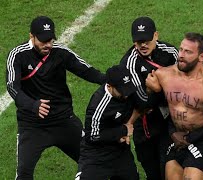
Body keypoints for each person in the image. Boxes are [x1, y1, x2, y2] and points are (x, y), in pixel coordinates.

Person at [6, 16, 106, 179]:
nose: (48, 45)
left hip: (63, 120)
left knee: (94, 161)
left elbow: (86, 71)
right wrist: (33, 105)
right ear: (32, 36)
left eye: (51, 40)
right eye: (43, 41)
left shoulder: (61, 52)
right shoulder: (18, 55)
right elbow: (13, 87)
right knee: (23, 174)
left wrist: (110, 81)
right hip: (32, 126)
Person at [146, 32, 203, 180]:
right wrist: (152, 89)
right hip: (176, 136)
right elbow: (150, 101)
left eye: (188, 52)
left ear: (201, 57)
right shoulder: (164, 75)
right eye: (181, 49)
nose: (181, 55)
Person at [119, 16, 178, 180]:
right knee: (153, 173)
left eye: (147, 40)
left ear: (156, 36)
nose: (143, 45)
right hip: (145, 127)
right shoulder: (129, 63)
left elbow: (184, 82)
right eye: (138, 42)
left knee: (168, 168)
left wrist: (157, 89)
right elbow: (141, 101)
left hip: (169, 122)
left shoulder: (171, 52)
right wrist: (162, 91)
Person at [76, 65, 139, 180]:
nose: (126, 94)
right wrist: (123, 131)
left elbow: (142, 107)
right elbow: (92, 136)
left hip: (120, 152)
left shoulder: (128, 90)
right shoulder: (98, 106)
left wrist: (128, 126)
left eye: (127, 89)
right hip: (97, 155)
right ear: (109, 86)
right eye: (121, 91)